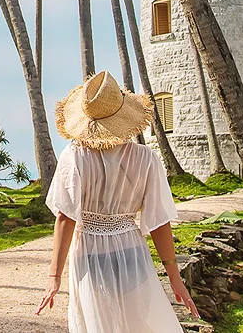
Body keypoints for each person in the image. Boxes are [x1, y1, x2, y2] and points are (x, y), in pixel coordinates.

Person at [36, 71, 200, 330]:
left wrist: (53, 277)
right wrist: (174, 276)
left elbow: (65, 218)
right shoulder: (147, 159)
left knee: (98, 324)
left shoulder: (75, 157)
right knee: (136, 324)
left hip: (90, 253)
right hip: (131, 250)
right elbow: (158, 222)